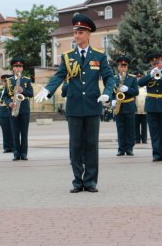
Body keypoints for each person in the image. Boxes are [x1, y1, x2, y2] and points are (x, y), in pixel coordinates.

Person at [35, 13, 115, 193]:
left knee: (91, 145)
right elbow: (59, 76)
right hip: (74, 107)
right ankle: (78, 181)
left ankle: (91, 181)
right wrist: (48, 89)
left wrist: (108, 94)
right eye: (75, 32)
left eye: (80, 32)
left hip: (93, 106)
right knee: (76, 145)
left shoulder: (100, 56)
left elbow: (109, 77)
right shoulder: (67, 56)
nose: (76, 36)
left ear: (88, 34)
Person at [138, 51, 162, 162]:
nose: (156, 66)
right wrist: (151, 75)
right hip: (152, 106)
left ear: (161, 62)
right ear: (151, 64)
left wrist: (161, 75)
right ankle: (156, 154)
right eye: (154, 64)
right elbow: (140, 83)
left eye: (158, 63)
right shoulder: (149, 74)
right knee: (154, 132)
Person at [5, 57, 34, 161]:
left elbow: (31, 94)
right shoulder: (8, 81)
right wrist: (9, 103)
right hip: (13, 109)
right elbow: (5, 96)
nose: (18, 68)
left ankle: (24, 153)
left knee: (24, 132)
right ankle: (16, 153)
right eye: (16, 66)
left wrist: (23, 90)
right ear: (13, 68)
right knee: (15, 132)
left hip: (24, 109)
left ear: (22, 68)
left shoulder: (26, 80)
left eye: (20, 66)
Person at [112, 56, 139, 156]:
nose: (123, 68)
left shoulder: (132, 78)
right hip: (119, 106)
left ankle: (129, 148)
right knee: (120, 128)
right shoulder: (114, 79)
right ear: (118, 67)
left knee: (130, 128)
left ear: (127, 67)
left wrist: (127, 89)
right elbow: (111, 91)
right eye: (121, 66)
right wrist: (112, 100)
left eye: (125, 66)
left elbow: (136, 92)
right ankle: (121, 148)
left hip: (129, 104)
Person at [0, 74, 14, 154]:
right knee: (5, 130)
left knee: (13, 130)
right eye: (3, 81)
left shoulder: (12, 89)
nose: (4, 83)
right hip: (3, 110)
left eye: (6, 81)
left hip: (11, 110)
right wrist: (3, 92)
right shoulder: (1, 89)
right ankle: (7, 147)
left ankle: (14, 146)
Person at [134, 70, 147, 144]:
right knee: (136, 125)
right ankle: (137, 139)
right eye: (137, 77)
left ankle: (144, 139)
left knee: (144, 125)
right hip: (136, 109)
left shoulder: (146, 87)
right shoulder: (134, 86)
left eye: (140, 77)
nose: (139, 78)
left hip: (144, 109)